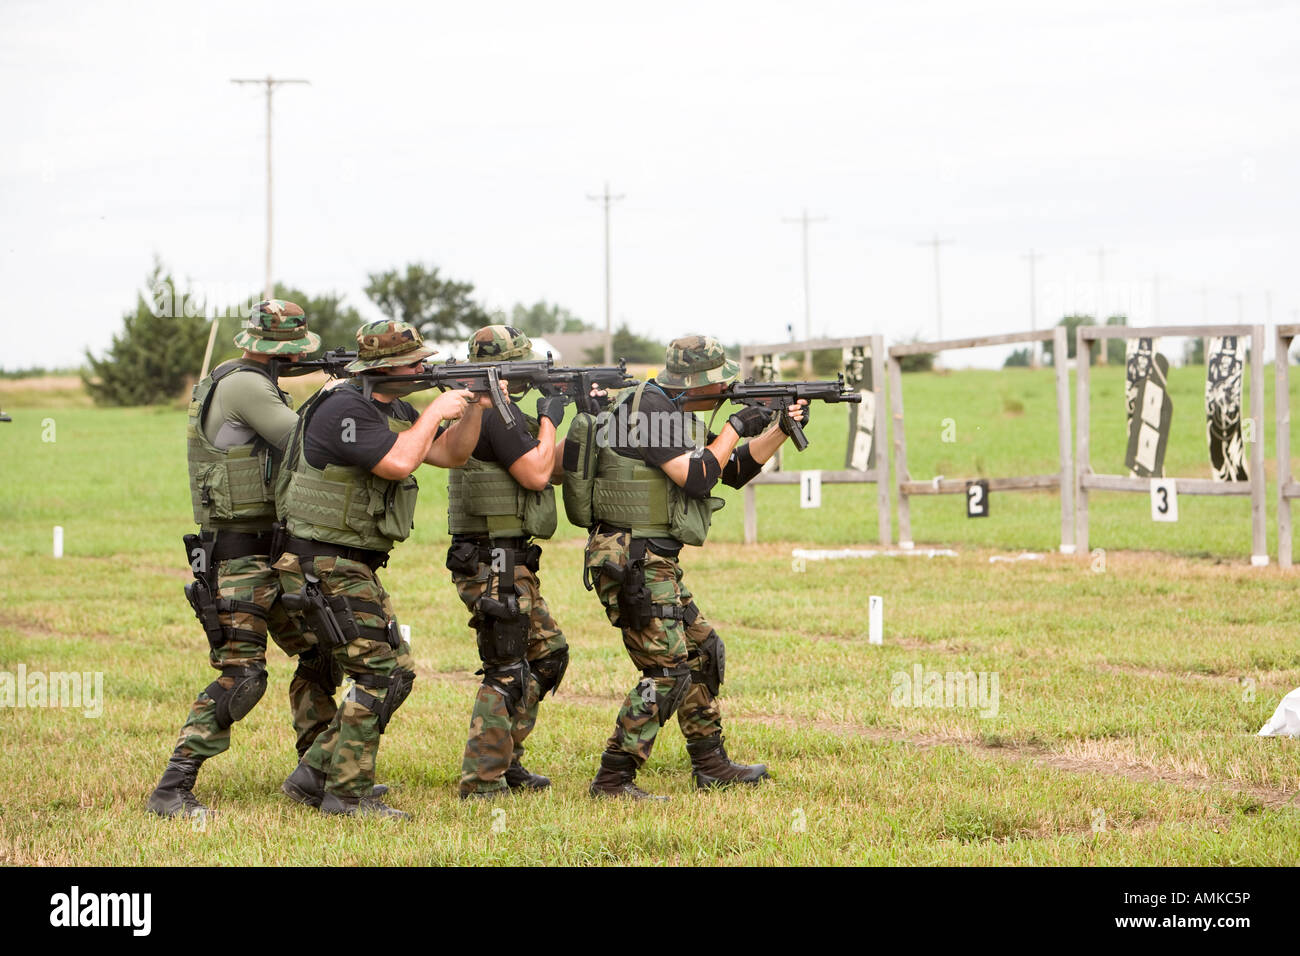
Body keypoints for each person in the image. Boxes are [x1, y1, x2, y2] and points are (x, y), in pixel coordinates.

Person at [275, 319, 491, 819]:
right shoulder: (343, 409)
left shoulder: (391, 407)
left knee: (397, 672)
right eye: (416, 363)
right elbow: (397, 464)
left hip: (350, 563)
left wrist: (473, 408)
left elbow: (450, 454)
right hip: (322, 561)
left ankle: (314, 775)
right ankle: (344, 795)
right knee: (378, 672)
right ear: (385, 368)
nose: (424, 369)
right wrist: (438, 409)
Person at [583, 335, 806, 799]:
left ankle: (711, 765)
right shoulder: (649, 410)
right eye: (719, 385)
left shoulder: (669, 410)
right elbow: (700, 477)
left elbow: (731, 469)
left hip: (651, 558)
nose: (725, 392)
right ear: (693, 383)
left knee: (702, 651)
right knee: (666, 672)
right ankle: (612, 779)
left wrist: (779, 428)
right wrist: (735, 424)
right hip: (633, 559)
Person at [148, 299, 336, 819]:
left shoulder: (248, 378)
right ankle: (172, 787)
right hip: (238, 560)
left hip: (266, 555)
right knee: (243, 674)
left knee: (321, 653)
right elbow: (304, 440)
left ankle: (319, 770)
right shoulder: (246, 384)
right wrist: (339, 399)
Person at [445, 326, 570, 799]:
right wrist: (549, 417)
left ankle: (505, 760)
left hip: (506, 558)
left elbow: (546, 463)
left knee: (546, 654)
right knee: (508, 664)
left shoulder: (502, 412)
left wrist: (573, 420)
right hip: (490, 559)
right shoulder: (490, 411)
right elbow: (537, 475)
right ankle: (482, 780)